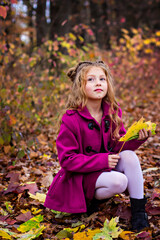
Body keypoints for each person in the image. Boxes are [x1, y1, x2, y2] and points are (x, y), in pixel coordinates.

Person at [44, 60, 151, 231]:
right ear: (80, 86)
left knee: (130, 156)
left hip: (103, 170)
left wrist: (137, 139)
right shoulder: (71, 119)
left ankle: (139, 212)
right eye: (91, 80)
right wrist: (102, 161)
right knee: (120, 181)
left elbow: (118, 147)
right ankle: (88, 202)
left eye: (102, 79)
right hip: (80, 178)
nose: (98, 83)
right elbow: (67, 160)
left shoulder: (112, 111)